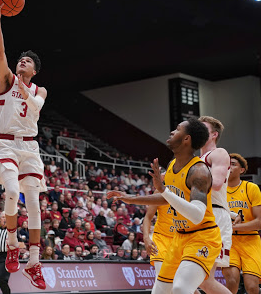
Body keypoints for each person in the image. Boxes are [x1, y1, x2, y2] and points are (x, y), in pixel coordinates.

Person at [107, 119, 221, 294]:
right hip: (179, 237)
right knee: (160, 291)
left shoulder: (199, 171)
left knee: (181, 288)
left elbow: (197, 215)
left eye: (177, 130)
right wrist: (130, 199)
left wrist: (164, 190)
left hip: (202, 237)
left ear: (186, 139)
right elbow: (166, 198)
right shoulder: (172, 166)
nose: (172, 132)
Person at [0, 0, 48, 290]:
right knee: (12, 191)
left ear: (34, 70)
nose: (19, 62)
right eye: (19, 60)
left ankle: (34, 262)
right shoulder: (7, 81)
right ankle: (12, 243)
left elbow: (36, 105)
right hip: (6, 145)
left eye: (26, 62)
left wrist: (26, 89)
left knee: (35, 204)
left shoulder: (40, 89)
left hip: (30, 148)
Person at [197, 116, 235, 294]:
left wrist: (185, 181)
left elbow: (217, 183)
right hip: (198, 216)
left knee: (205, 280)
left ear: (214, 135)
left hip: (214, 216)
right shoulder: (196, 159)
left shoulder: (218, 153)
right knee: (180, 276)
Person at [223, 153, 261, 294]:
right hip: (228, 241)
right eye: (227, 164)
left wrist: (234, 227)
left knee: (251, 287)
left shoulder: (251, 188)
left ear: (242, 170)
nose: (229, 167)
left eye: (233, 164)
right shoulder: (218, 191)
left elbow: (259, 222)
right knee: (232, 281)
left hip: (250, 240)